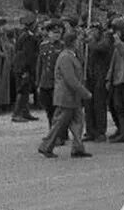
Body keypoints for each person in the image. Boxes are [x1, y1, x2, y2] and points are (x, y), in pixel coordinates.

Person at [37, 29, 92, 158]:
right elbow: (70, 79)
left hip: (73, 97)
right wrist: (85, 93)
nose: (79, 43)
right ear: (73, 42)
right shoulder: (65, 57)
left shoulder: (71, 55)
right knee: (59, 124)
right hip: (66, 96)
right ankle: (46, 146)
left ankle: (78, 148)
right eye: (78, 40)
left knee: (78, 122)